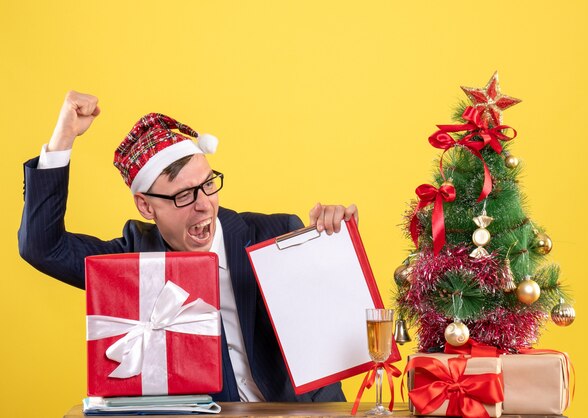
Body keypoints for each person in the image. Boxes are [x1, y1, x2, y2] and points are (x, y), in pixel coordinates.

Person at [19, 91, 358, 402]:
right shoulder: (136, 260)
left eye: (208, 184)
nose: (203, 205)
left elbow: (336, 323)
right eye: (183, 195)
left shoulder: (275, 234)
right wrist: (63, 138)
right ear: (146, 206)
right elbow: (42, 248)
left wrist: (336, 241)